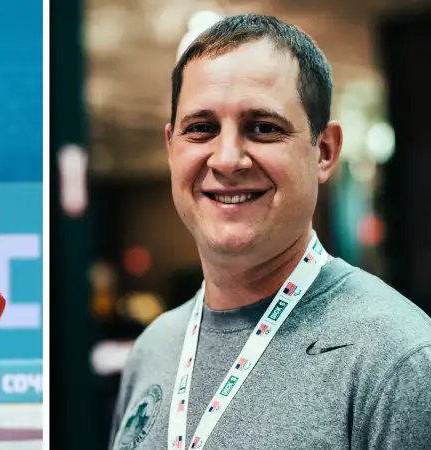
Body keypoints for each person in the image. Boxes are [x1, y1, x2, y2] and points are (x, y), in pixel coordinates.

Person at [109, 14, 431, 450]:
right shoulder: (155, 347)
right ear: (171, 149)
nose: (226, 160)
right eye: (201, 128)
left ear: (324, 151)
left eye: (263, 128)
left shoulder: (399, 361)